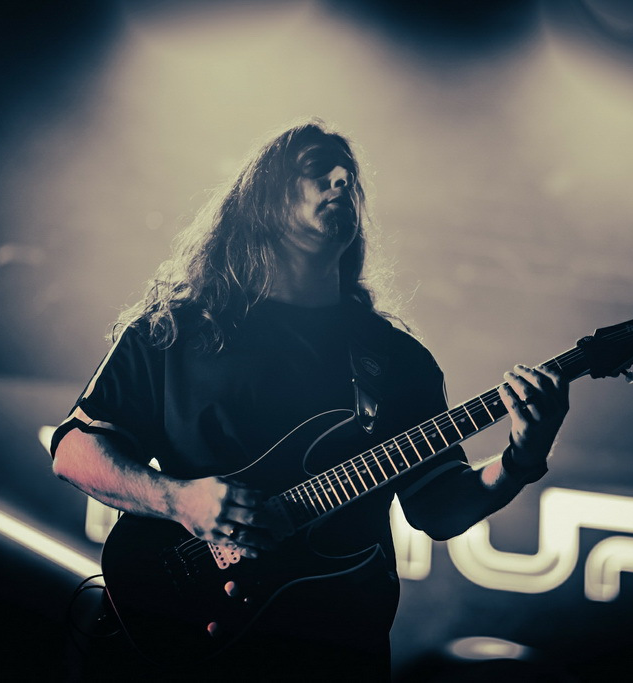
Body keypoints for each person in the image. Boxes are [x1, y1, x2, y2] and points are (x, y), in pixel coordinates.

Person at [50, 119, 569, 681]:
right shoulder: (177, 330)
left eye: (350, 176)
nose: (342, 180)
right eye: (318, 169)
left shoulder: (397, 360)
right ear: (264, 200)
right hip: (189, 634)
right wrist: (179, 501)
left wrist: (521, 458)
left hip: (335, 650)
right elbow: (74, 451)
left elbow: (438, 509)